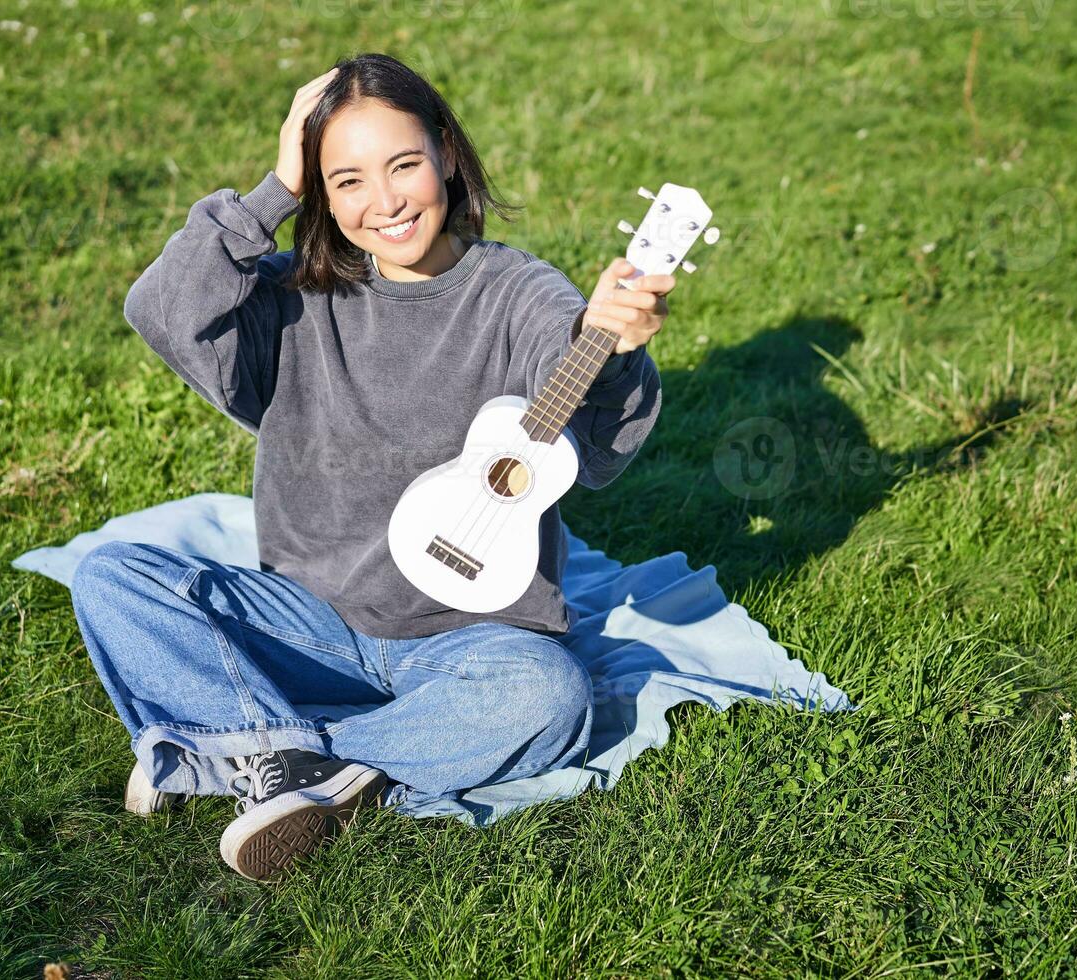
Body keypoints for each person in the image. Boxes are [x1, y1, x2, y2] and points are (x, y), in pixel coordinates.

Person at [71, 52, 674, 881]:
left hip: (470, 643)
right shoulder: (292, 297)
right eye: (344, 180)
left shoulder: (518, 291)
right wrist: (274, 190)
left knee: (550, 696)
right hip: (309, 624)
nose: (383, 202)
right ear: (318, 191)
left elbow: (580, 411)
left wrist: (610, 345)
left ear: (445, 157)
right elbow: (162, 309)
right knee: (110, 579)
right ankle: (334, 769)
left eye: (402, 166)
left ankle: (242, 758)